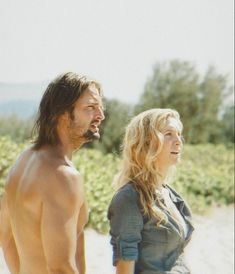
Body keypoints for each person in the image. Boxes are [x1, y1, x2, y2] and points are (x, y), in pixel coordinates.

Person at [0, 72, 105, 274]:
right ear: (63, 114)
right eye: (90, 107)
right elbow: (60, 267)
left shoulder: (22, 161)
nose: (100, 115)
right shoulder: (62, 176)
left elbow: (6, 238)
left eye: (100, 107)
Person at [108, 108, 194, 274]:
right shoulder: (129, 198)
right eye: (168, 133)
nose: (178, 141)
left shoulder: (170, 194)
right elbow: (125, 268)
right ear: (146, 143)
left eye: (178, 134)